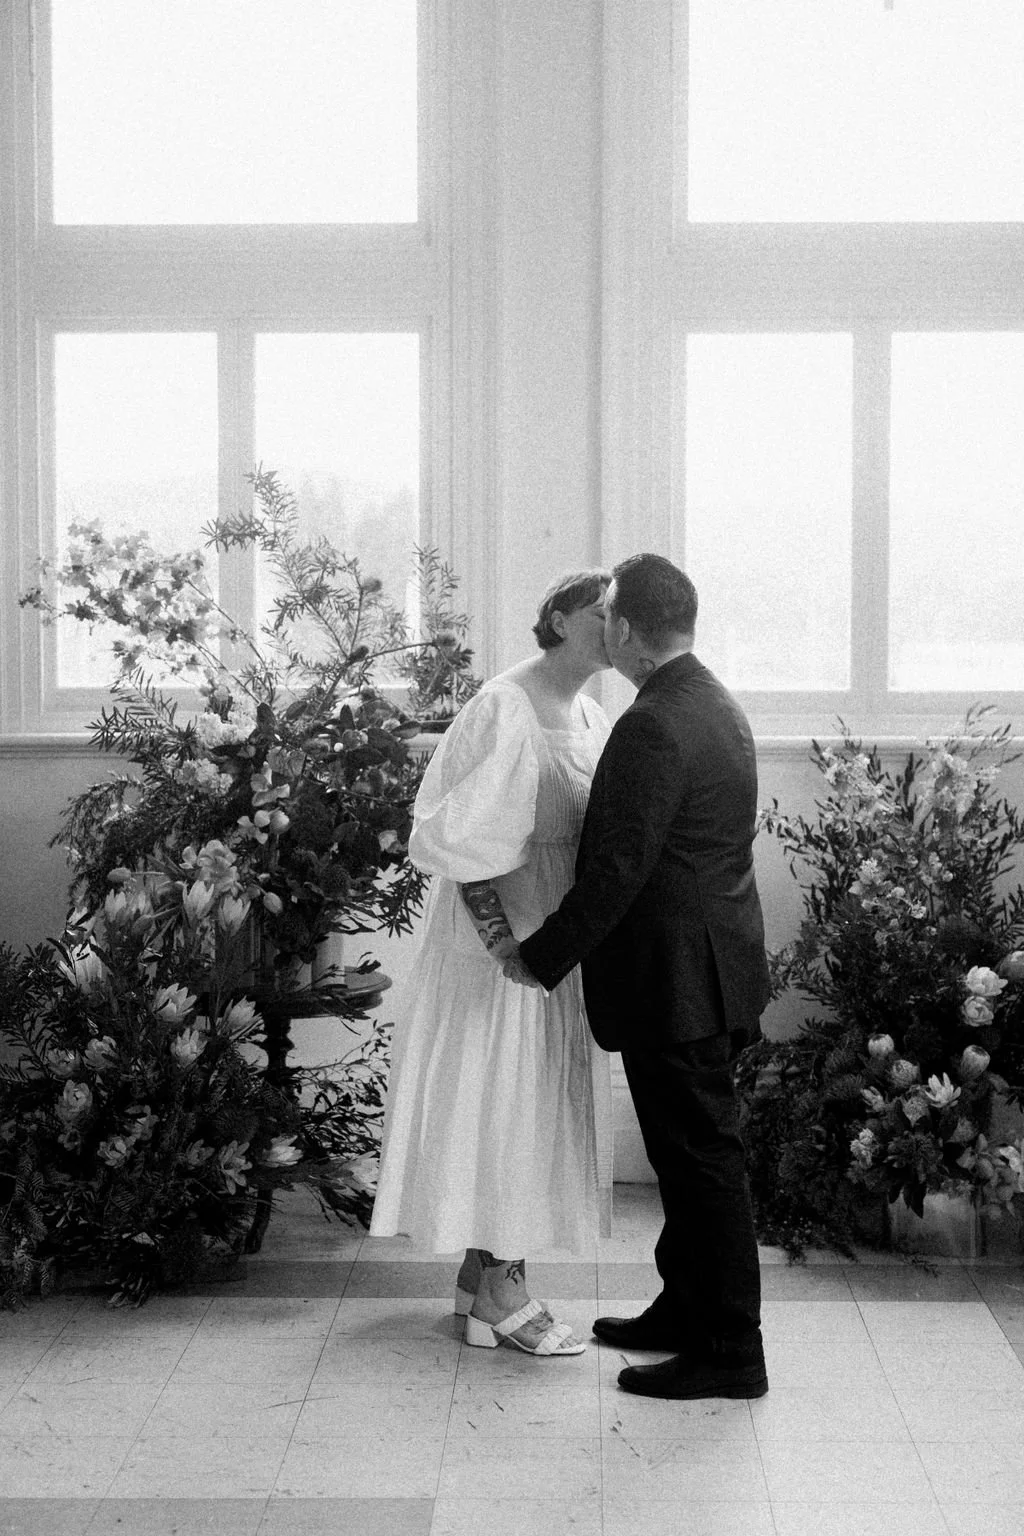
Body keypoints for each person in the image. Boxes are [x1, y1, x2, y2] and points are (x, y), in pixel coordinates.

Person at [506, 552, 771, 1399]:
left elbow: (618, 868)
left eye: (607, 615)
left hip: (677, 978)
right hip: (708, 967)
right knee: (685, 1156)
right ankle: (683, 1308)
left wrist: (539, 955)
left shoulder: (655, 721)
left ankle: (730, 1352)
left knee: (700, 1166)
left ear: (623, 629)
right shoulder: (713, 702)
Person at [370, 569, 614, 1356]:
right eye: (598, 611)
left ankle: (482, 1282)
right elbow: (458, 842)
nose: (613, 624)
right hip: (503, 942)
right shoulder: (504, 706)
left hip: (553, 931)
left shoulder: (590, 712)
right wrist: (507, 945)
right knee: (507, 1104)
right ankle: (506, 1293)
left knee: (531, 1102)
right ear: (557, 617)